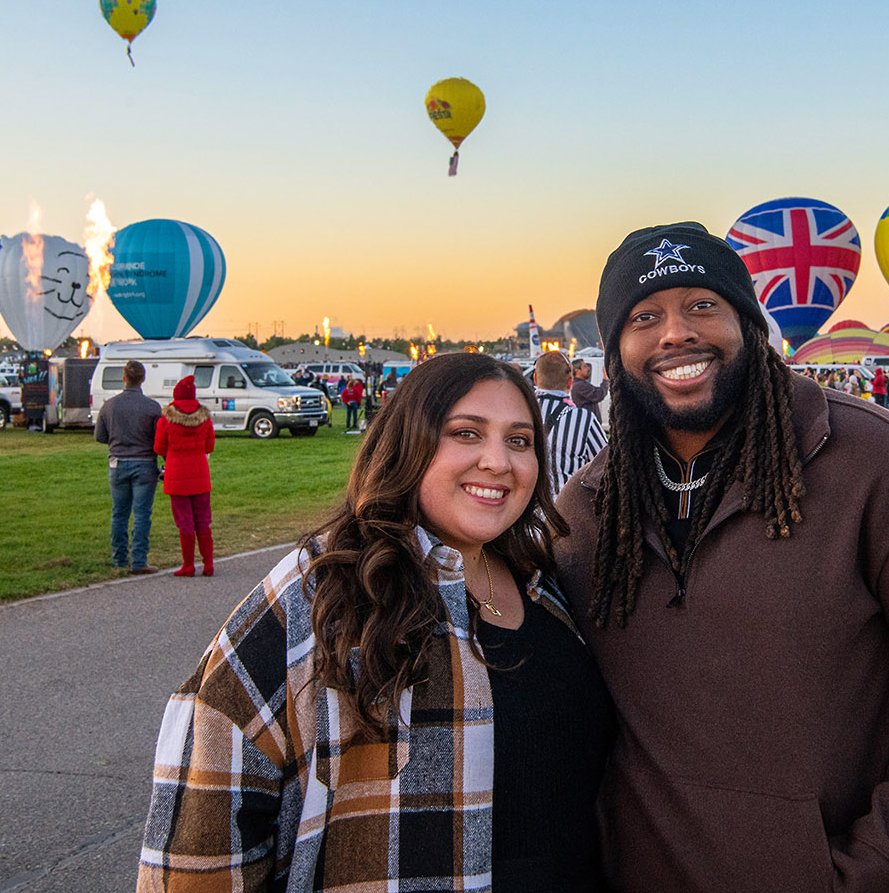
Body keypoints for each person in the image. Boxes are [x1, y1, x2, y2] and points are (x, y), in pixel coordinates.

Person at [556, 221, 889, 893]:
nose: (675, 334)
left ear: (751, 325)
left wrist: (875, 865)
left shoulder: (881, 466)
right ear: (614, 352)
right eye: (644, 317)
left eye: (702, 304)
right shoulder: (589, 508)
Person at [139, 354, 613, 890]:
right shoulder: (325, 590)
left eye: (519, 440)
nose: (497, 461)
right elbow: (205, 803)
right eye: (466, 433)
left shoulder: (544, 581)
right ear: (407, 442)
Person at [93, 360, 161, 574]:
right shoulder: (152, 407)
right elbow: (158, 439)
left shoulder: (109, 405)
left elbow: (100, 436)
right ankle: (139, 560)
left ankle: (119, 559)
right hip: (144, 463)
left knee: (119, 513)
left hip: (118, 463)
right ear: (143, 379)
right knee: (142, 514)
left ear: (124, 378)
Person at [155, 376, 216, 578]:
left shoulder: (166, 420)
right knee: (203, 521)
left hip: (176, 475)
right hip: (200, 474)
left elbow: (159, 447)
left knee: (185, 522)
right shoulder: (205, 419)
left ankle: (188, 565)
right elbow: (210, 446)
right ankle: (208, 564)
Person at [533, 350, 608, 497]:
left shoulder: (520, 413)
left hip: (529, 513)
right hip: (566, 511)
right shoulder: (583, 419)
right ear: (570, 382)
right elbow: (605, 466)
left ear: (535, 378)